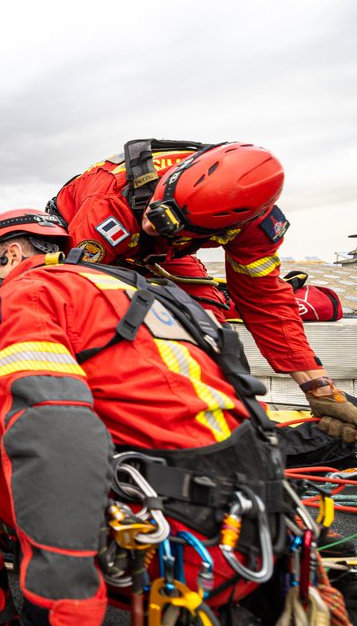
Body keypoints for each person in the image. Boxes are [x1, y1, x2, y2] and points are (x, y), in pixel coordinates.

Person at [0, 210, 315, 626]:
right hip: (252, 539)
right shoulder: (145, 293)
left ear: (10, 256)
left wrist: (65, 619)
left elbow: (56, 438)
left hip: (146, 543)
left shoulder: (30, 293)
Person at [47, 140, 357, 444]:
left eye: (165, 222)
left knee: (207, 323)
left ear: (225, 230)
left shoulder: (253, 226)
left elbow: (265, 300)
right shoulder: (109, 203)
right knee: (117, 321)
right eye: (156, 212)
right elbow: (71, 294)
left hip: (166, 253)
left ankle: (218, 418)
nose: (151, 224)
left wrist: (320, 389)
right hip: (87, 237)